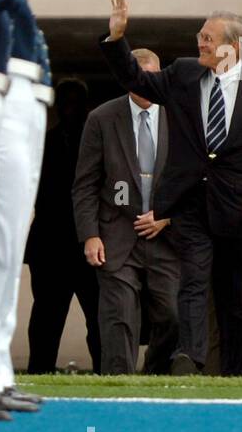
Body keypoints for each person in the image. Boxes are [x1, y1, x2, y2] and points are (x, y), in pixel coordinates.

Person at [99, 0, 242, 376]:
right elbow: (135, 78)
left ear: (233, 47)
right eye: (200, 35)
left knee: (237, 294)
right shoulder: (184, 73)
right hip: (189, 203)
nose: (199, 42)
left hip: (241, 210)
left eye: (208, 37)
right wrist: (117, 38)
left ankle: (239, 366)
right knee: (193, 281)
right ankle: (190, 356)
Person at [72, 49, 180, 374]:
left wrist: (167, 216)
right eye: (137, 77)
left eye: (150, 78)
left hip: (167, 240)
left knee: (172, 315)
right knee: (118, 319)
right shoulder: (102, 119)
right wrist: (90, 235)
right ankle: (118, 389)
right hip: (116, 237)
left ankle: (154, 378)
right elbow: (86, 184)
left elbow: (195, 178)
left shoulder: (180, 116)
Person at [25, 77, 101, 373]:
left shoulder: (98, 143)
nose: (70, 108)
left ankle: (106, 370)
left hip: (88, 245)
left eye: (75, 102)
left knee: (98, 317)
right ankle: (39, 370)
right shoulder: (42, 143)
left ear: (85, 106)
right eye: (65, 102)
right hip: (49, 245)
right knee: (45, 316)